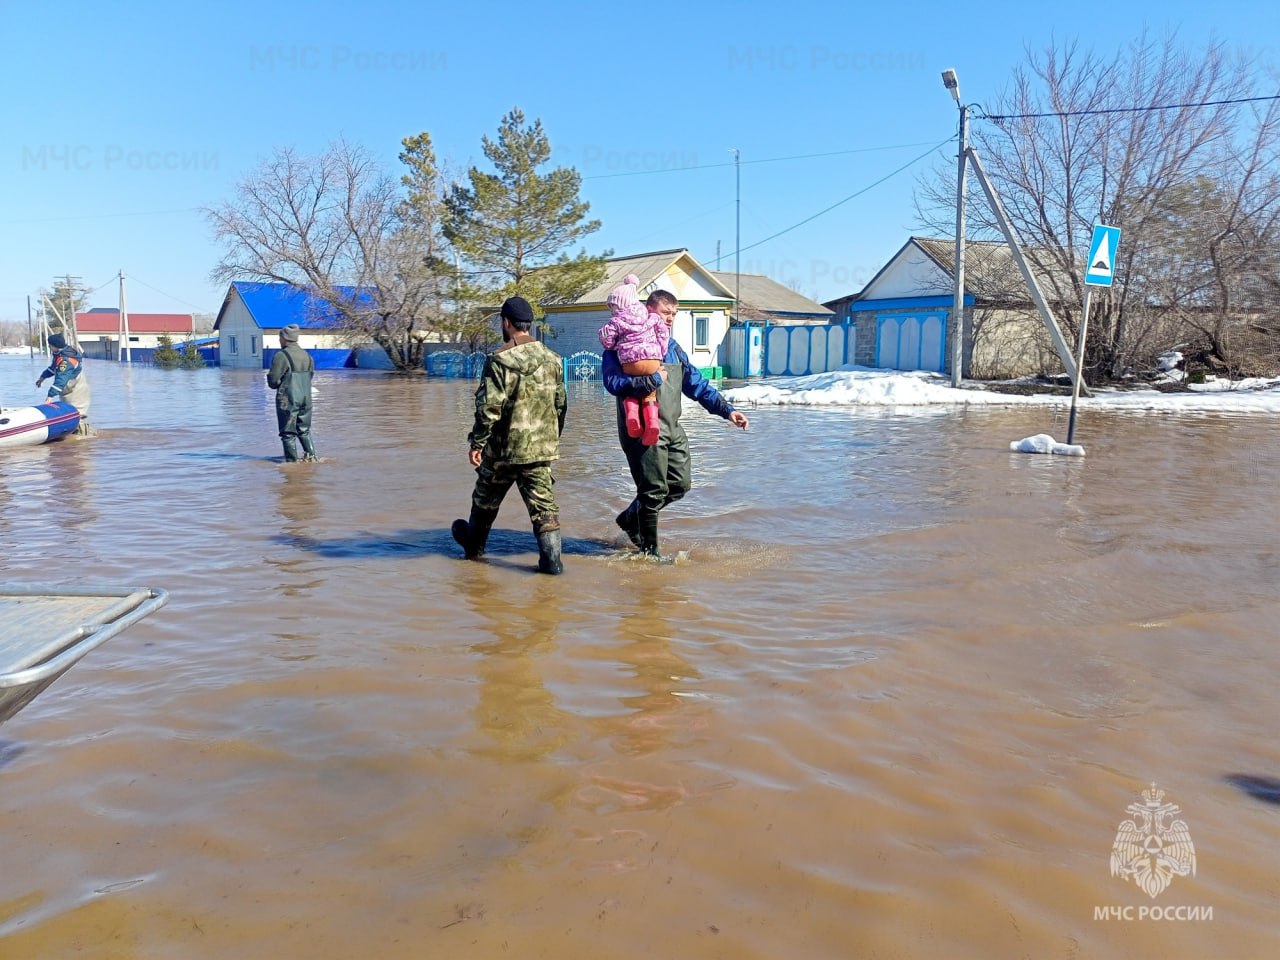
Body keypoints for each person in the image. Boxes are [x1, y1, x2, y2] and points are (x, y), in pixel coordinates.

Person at [603, 289, 749, 561]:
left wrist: (728, 411)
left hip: (672, 428)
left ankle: (630, 517)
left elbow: (697, 385)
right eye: (664, 313)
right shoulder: (619, 347)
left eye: (674, 314)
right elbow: (612, 383)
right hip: (641, 431)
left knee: (680, 485)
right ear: (647, 311)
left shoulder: (673, 348)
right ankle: (650, 554)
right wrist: (646, 382)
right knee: (653, 490)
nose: (670, 319)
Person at [452, 296, 568, 575]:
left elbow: (489, 408)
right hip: (539, 449)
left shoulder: (499, 360)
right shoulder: (553, 359)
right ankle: (552, 563)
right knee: (544, 509)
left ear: (506, 323)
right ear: (529, 324)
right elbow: (561, 405)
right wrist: (551, 439)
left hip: (502, 451)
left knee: (484, 501)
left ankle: (473, 551)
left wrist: (477, 443)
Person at [597, 273, 669, 445]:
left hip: (630, 363)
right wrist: (661, 351)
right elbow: (663, 333)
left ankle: (632, 419)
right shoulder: (650, 316)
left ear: (620, 305)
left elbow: (607, 341)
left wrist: (612, 345)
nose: (612, 310)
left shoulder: (616, 321)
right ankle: (652, 423)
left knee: (630, 392)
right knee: (649, 394)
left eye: (612, 306)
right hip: (653, 361)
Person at [266, 323, 318, 462]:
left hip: (288, 399)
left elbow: (273, 381)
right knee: (304, 430)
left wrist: (279, 384)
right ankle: (312, 458)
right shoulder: (307, 356)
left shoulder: (281, 356)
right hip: (306, 399)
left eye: (280, 338)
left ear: (284, 339)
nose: (279, 341)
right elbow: (310, 376)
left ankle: (292, 465)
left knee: (288, 434)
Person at [36, 332, 84, 403]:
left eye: (50, 345)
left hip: (75, 386)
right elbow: (53, 368)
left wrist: (50, 396)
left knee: (73, 404)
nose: (48, 346)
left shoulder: (66, 361)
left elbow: (61, 379)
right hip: (67, 384)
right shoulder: (59, 354)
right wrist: (42, 378)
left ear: (56, 346)